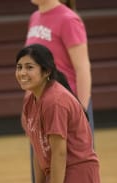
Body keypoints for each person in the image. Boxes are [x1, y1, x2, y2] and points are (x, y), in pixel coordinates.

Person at [15, 44, 100, 183]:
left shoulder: (55, 102)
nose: (22, 73)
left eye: (29, 67)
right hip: (59, 181)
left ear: (46, 71)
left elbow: (59, 154)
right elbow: (38, 151)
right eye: (19, 67)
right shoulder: (30, 101)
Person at [25, 0, 94, 133]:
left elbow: (83, 68)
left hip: (65, 108)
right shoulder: (34, 17)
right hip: (40, 109)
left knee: (71, 154)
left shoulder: (68, 20)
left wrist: (81, 113)